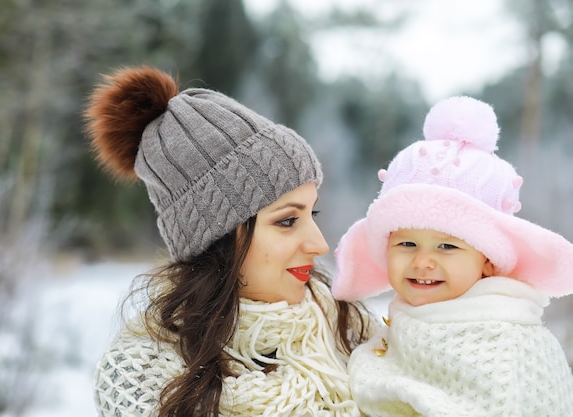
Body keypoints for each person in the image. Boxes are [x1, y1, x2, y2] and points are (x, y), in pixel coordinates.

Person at [83, 65, 374, 417]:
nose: (319, 245)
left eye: (313, 215)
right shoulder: (142, 375)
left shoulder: (348, 328)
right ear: (215, 237)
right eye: (286, 221)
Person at [331, 96, 573, 417]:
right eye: (406, 244)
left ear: (488, 261)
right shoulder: (393, 327)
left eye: (446, 246)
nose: (422, 262)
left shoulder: (510, 343)